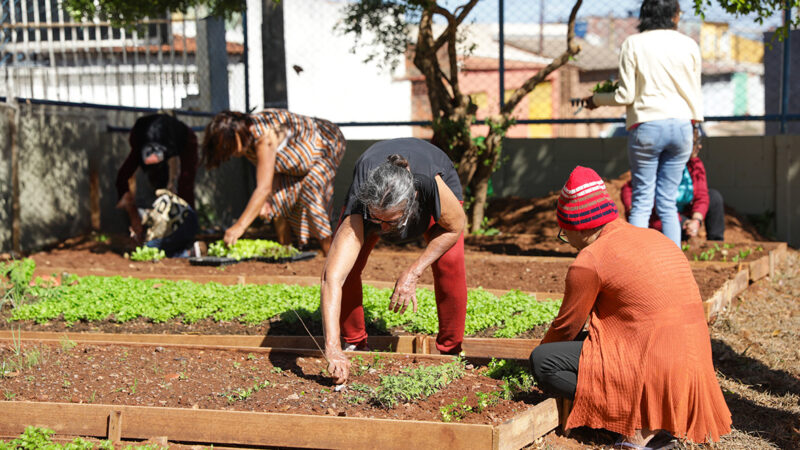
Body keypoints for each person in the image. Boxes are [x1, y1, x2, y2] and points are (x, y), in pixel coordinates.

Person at [530, 166, 732, 449]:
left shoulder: (590, 260)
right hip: (693, 366)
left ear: (580, 226)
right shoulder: (655, 237)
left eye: (564, 232)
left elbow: (565, 329)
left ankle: (638, 424)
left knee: (544, 361)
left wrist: (529, 358)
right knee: (584, 346)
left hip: (655, 364)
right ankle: (659, 421)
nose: (566, 241)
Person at [321, 138, 467, 384]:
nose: (383, 229)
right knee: (350, 267)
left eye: (391, 222)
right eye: (377, 220)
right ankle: (355, 342)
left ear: (413, 203)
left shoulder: (428, 183)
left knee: (449, 264)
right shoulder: (362, 200)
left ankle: (450, 350)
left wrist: (413, 271)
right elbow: (332, 278)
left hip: (434, 177)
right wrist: (332, 346)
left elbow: (455, 227)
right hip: (373, 192)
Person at [582, 0, 702, 247]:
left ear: (644, 15)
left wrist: (597, 99)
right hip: (682, 127)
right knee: (667, 202)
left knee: (642, 201)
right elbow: (694, 92)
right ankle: (673, 264)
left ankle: (636, 264)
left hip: (648, 126)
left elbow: (625, 95)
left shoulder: (633, 44)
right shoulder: (689, 44)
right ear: (674, 16)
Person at [201, 109, 345, 254]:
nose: (230, 152)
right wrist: (268, 200)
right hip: (297, 164)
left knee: (311, 193)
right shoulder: (248, 140)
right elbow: (273, 172)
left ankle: (332, 255)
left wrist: (239, 226)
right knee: (277, 200)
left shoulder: (264, 135)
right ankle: (287, 251)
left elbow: (263, 188)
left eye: (229, 145)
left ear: (237, 133)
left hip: (327, 144)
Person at [621, 124, 725, 241]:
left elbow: (702, 195)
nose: (699, 146)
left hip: (683, 212)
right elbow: (629, 189)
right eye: (695, 143)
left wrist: (696, 220)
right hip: (659, 218)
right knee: (673, 220)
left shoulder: (695, 165)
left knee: (714, 196)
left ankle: (716, 243)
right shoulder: (659, 164)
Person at [115, 113, 199, 257]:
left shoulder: (170, 143)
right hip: (150, 142)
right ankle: (155, 232)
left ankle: (187, 235)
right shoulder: (137, 144)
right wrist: (134, 217)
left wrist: (172, 185)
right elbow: (121, 179)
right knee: (157, 190)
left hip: (184, 142)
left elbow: (175, 163)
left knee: (184, 188)